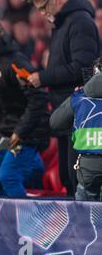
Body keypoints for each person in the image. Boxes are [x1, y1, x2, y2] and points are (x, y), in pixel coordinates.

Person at [28, 0, 101, 197]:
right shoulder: (62, 24)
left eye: (42, 8)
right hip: (64, 110)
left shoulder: (79, 22)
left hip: (78, 114)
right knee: (66, 176)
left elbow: (83, 68)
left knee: (76, 176)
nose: (41, 14)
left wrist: (44, 77)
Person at [0, 13, 49, 200]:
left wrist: (21, 131)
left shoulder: (16, 62)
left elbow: (37, 98)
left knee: (9, 176)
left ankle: (26, 226)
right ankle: (5, 225)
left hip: (28, 131)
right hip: (4, 130)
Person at [50, 57, 102, 201]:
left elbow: (55, 122)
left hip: (87, 171)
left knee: (83, 217)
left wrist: (77, 104)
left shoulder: (80, 97)